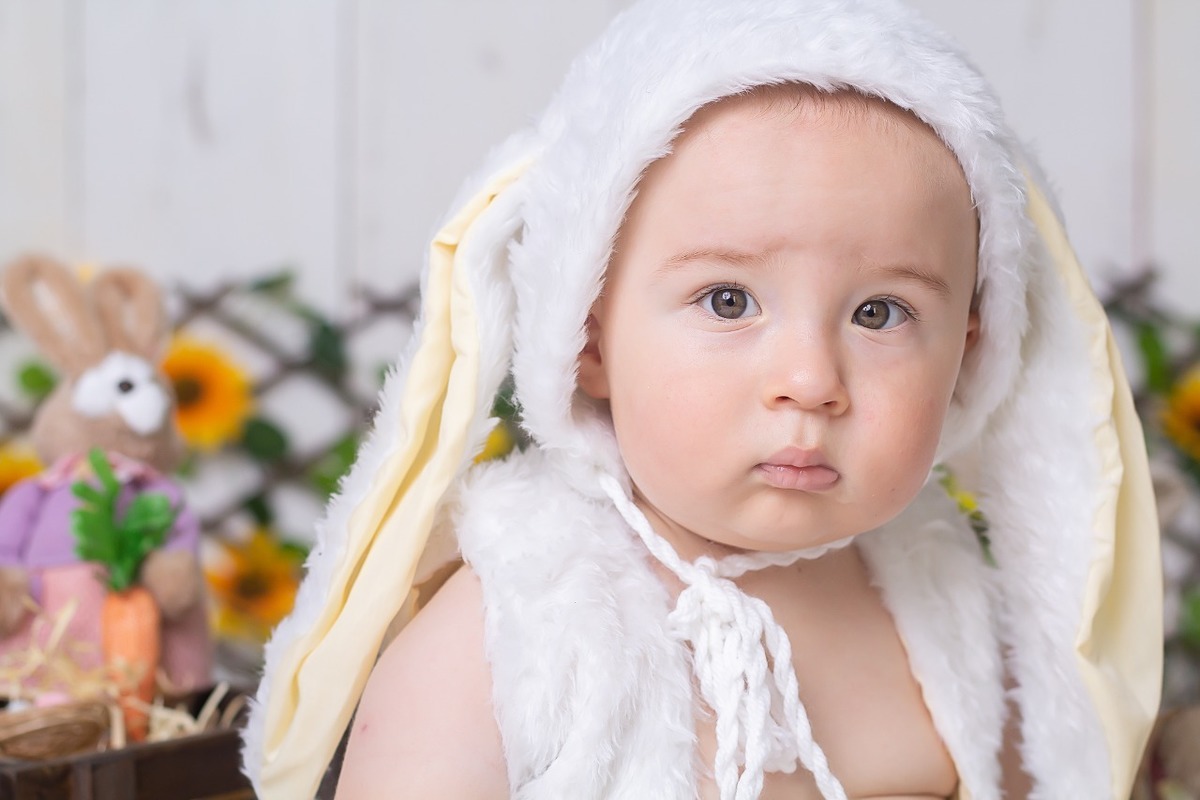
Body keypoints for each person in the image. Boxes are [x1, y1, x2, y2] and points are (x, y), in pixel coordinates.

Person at [242, 1, 1163, 799]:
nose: (810, 380)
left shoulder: (949, 607)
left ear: (969, 346)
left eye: (880, 312)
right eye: (728, 301)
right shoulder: (512, 627)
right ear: (586, 337)